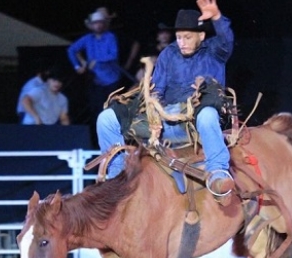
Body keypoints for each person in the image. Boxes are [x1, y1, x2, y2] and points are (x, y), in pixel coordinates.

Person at [95, 0, 235, 196]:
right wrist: (152, 113)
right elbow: (157, 89)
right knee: (106, 119)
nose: (182, 42)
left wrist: (217, 16)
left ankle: (218, 172)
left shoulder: (215, 50)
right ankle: (117, 176)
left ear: (201, 36)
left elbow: (227, 38)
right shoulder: (169, 53)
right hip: (166, 120)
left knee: (208, 114)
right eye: (178, 37)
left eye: (187, 37)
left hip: (198, 119)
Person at [67, 8, 121, 124]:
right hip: (95, 80)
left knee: (111, 110)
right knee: (95, 109)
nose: (98, 25)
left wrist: (96, 61)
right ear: (91, 25)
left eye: (100, 23)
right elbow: (71, 50)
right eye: (95, 23)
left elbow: (113, 55)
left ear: (104, 24)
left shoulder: (110, 37)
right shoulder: (87, 39)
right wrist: (77, 66)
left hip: (111, 80)